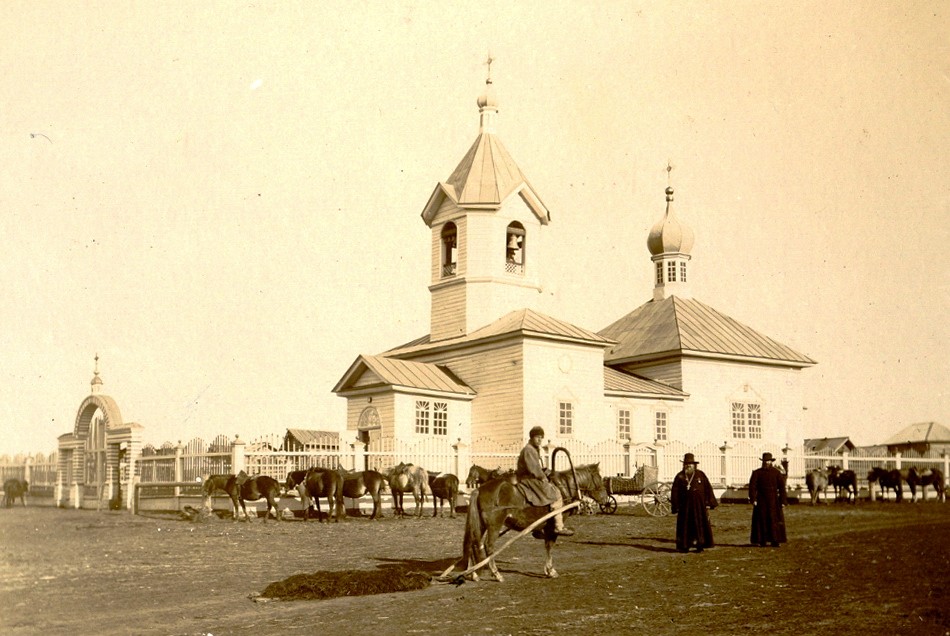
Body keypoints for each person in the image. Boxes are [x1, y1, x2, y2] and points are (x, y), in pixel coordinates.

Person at [515, 426, 574, 536]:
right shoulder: (529, 450)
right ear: (532, 438)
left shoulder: (532, 449)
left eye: (541, 438)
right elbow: (534, 469)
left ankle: (541, 525)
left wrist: (546, 471)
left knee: (546, 495)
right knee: (556, 494)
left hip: (530, 477)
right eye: (537, 437)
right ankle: (558, 526)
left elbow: (536, 468)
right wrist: (543, 477)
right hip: (528, 479)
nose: (539, 440)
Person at [670, 453, 718, 553]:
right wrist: (675, 506)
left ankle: (700, 545)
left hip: (699, 506)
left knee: (699, 524)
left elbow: (708, 488)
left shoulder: (701, 475)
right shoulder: (680, 476)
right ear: (684, 464)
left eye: (690, 463)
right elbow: (674, 492)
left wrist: (710, 502)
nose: (688, 465)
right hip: (685, 507)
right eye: (687, 463)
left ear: (694, 464)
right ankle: (684, 546)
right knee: (685, 526)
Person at [749, 452, 787, 547]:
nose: (767, 463)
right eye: (765, 461)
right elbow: (752, 487)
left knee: (774, 520)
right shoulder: (757, 473)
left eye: (769, 461)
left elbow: (782, 488)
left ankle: (775, 540)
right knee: (762, 520)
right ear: (762, 462)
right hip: (761, 500)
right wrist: (753, 499)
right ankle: (762, 540)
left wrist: (783, 501)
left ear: (771, 461)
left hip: (774, 501)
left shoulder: (776, 473)